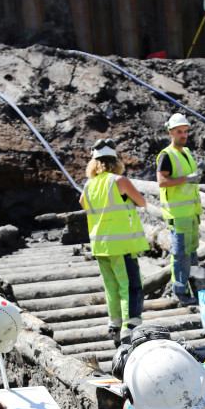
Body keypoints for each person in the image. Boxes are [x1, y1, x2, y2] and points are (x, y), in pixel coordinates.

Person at [79, 138, 149, 346]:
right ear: (115, 161)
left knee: (112, 287)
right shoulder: (119, 181)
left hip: (100, 246)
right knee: (131, 287)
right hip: (121, 245)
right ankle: (131, 328)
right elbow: (142, 202)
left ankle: (115, 327)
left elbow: (82, 203)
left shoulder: (89, 186)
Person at [156, 112, 202, 305]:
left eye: (185, 131)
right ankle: (180, 292)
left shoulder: (187, 152)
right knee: (180, 253)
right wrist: (187, 179)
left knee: (191, 252)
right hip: (178, 215)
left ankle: (194, 288)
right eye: (179, 132)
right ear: (171, 133)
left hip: (191, 214)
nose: (183, 135)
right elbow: (162, 181)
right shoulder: (167, 155)